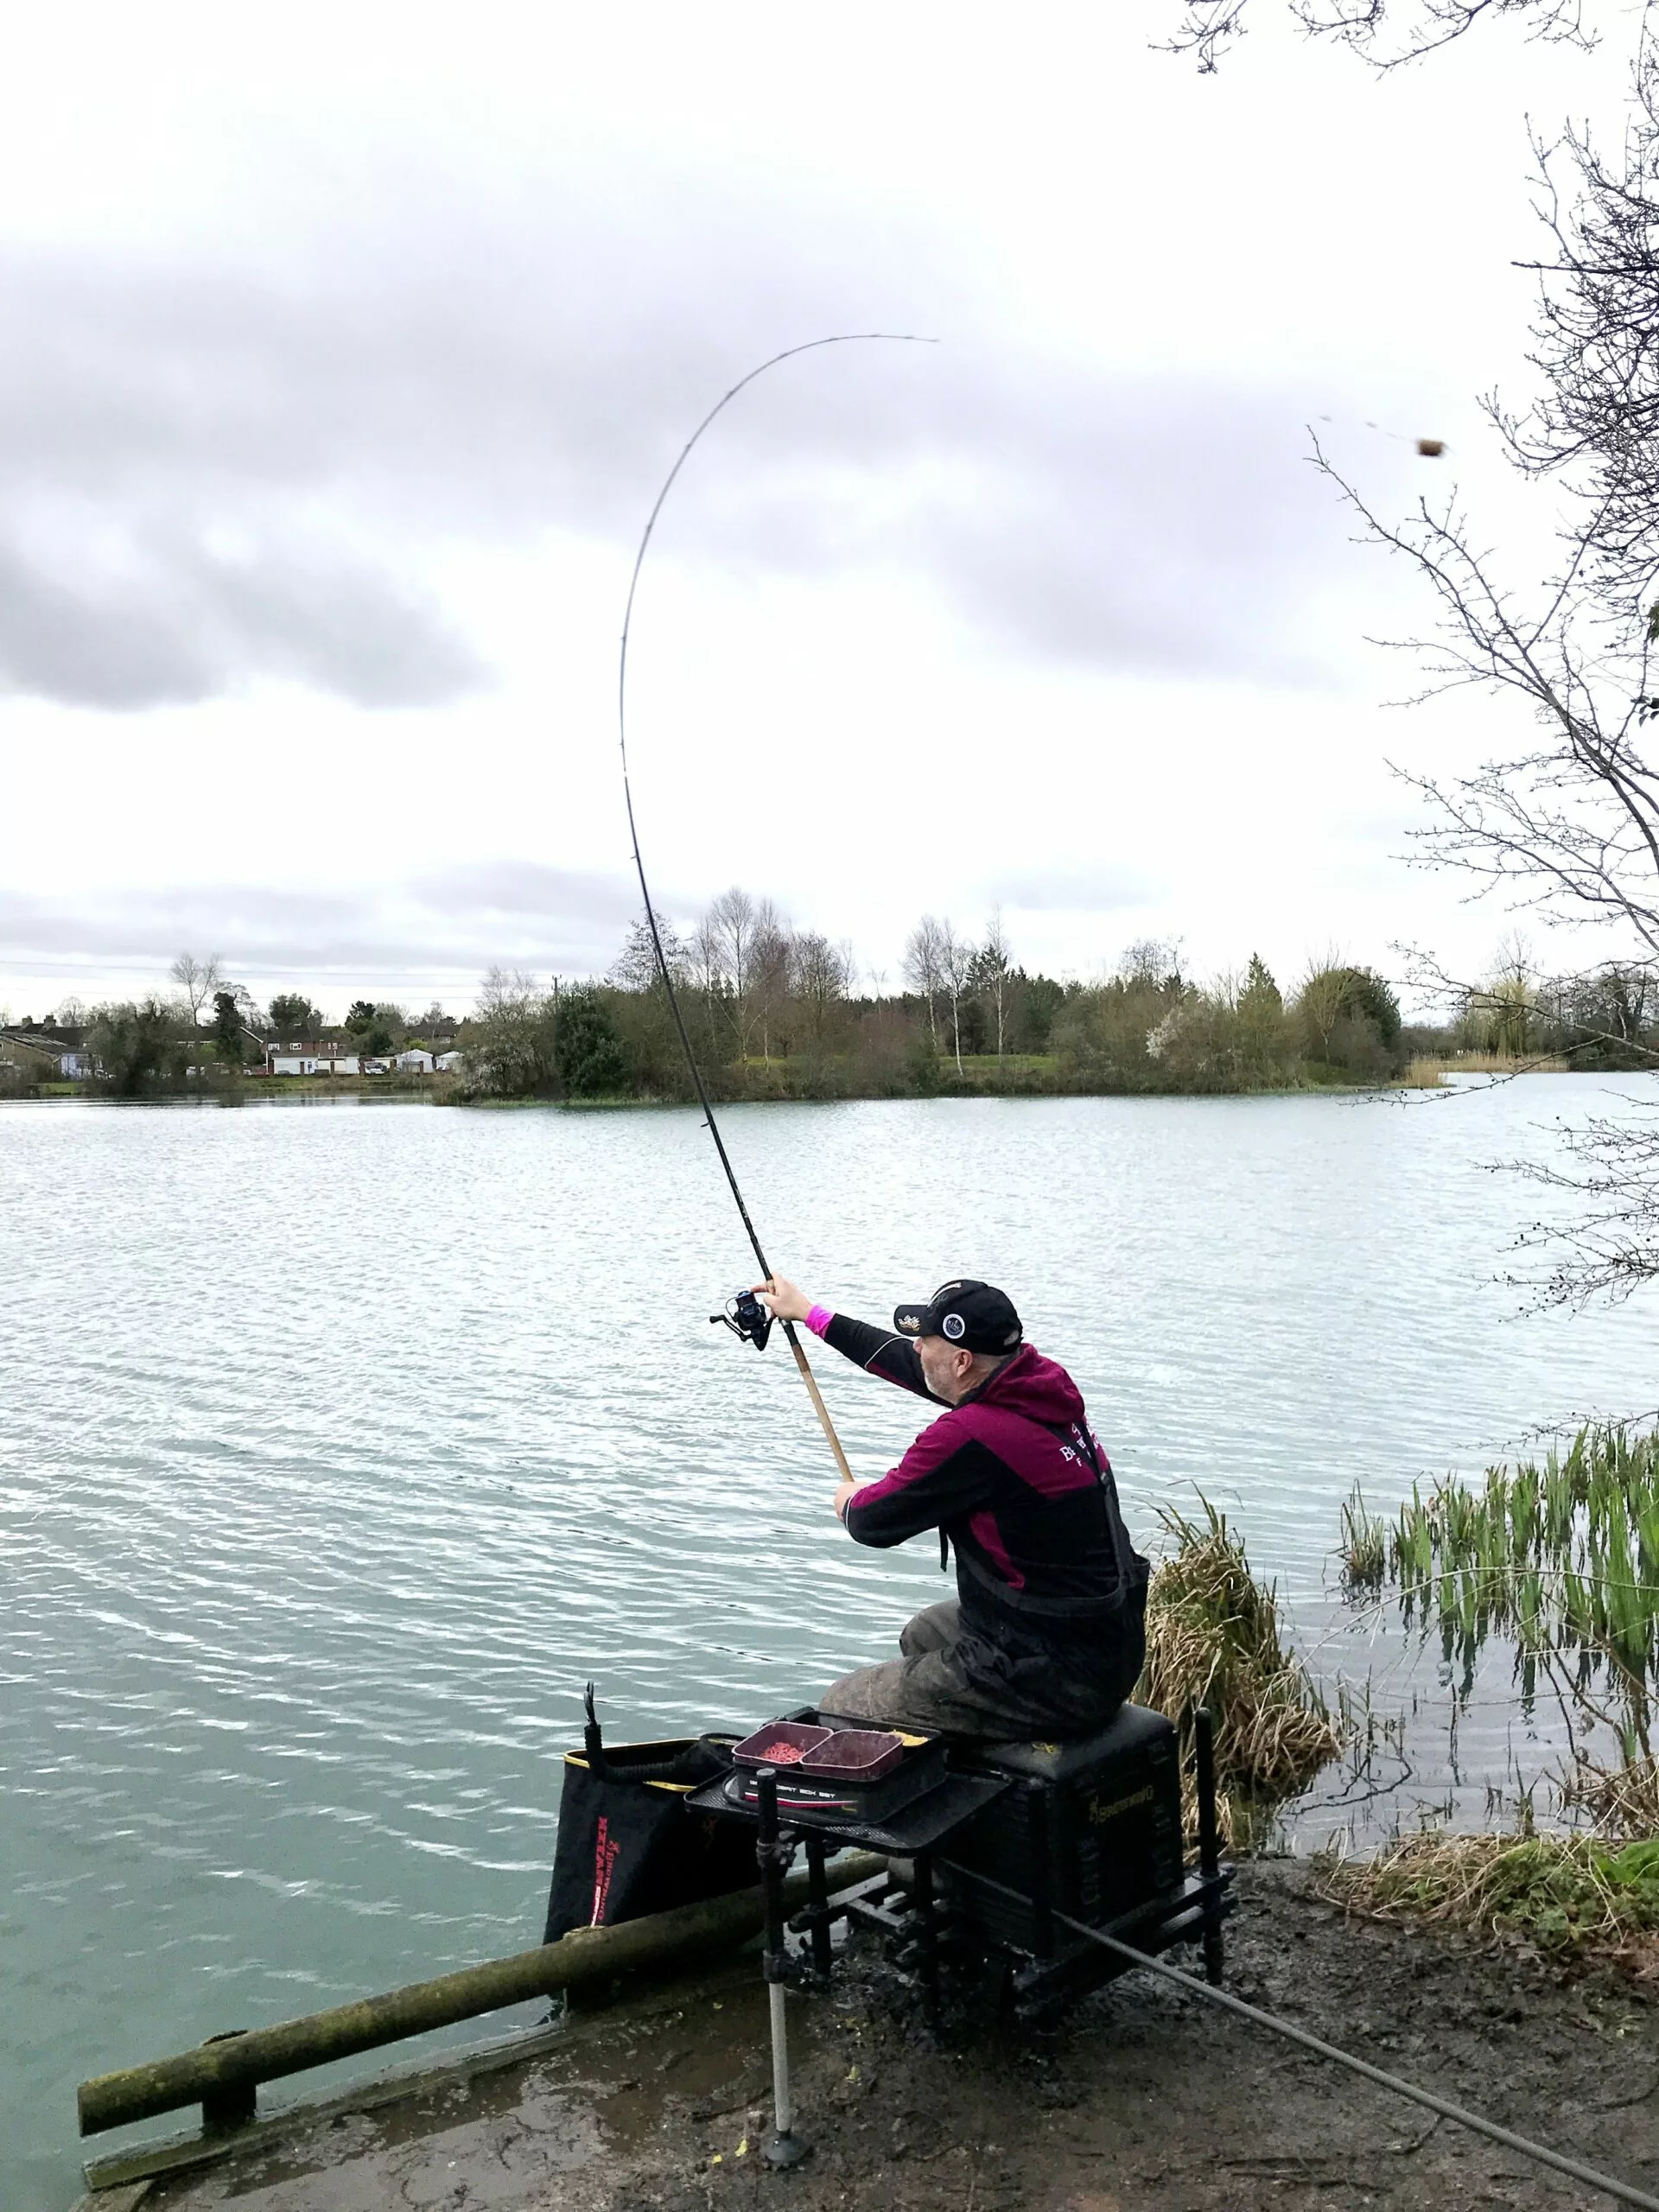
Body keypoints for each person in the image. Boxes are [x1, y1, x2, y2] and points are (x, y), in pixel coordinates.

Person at [757, 1274, 1148, 1740]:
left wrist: (851, 1500)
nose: (916, 1348)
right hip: (1106, 1644)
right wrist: (810, 1314)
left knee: (843, 1704)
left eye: (925, 1340)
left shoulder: (974, 1437)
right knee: (925, 1632)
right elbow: (902, 1362)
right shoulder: (1038, 1389)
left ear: (962, 1361)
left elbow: (872, 1522)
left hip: (1055, 1676)